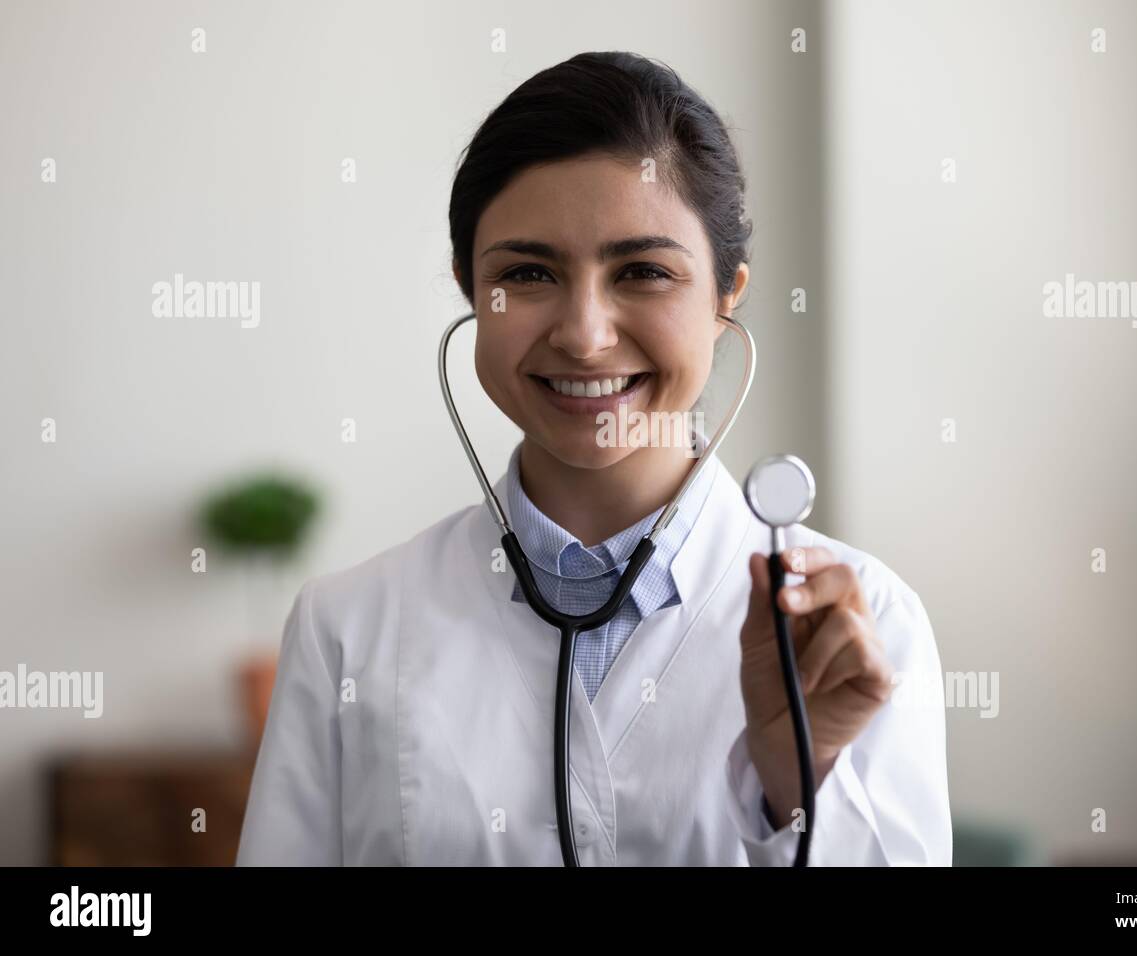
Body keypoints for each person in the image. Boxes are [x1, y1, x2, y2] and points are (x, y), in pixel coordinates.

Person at [236, 51, 951, 866]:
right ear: (473, 293)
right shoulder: (347, 630)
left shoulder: (864, 629)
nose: (583, 333)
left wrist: (801, 783)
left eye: (643, 271)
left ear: (727, 297)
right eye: (528, 273)